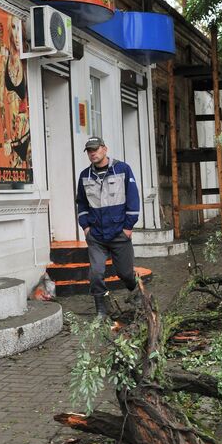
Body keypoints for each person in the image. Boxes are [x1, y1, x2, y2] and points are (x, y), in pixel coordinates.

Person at [76, 137, 141, 319]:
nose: (92, 153)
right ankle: (101, 310)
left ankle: (138, 296)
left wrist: (128, 227)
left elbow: (133, 199)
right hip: (96, 235)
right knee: (96, 274)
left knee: (126, 273)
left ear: (105, 149)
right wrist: (86, 227)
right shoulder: (84, 176)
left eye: (95, 149)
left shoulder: (122, 169)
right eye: (89, 151)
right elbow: (81, 204)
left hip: (119, 233)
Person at [0, 15, 31, 170]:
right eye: (13, 27)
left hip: (26, 134)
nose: (17, 34)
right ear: (9, 31)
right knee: (15, 178)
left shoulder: (25, 63)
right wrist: (5, 136)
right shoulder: (4, 56)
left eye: (19, 29)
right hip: (13, 138)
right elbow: (0, 101)